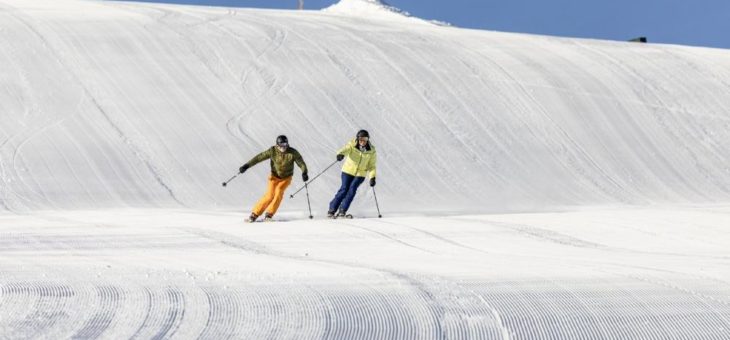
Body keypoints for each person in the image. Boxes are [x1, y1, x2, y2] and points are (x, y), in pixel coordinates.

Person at [239, 135, 308, 222]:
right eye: (281, 145)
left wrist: (304, 172)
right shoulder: (272, 151)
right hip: (274, 177)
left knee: (279, 191)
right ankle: (254, 214)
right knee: (269, 195)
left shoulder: (292, 152)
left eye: (285, 144)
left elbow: (301, 163)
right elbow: (259, 157)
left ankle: (269, 214)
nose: (283, 147)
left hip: (286, 178)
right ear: (277, 145)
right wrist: (247, 165)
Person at [328, 129, 377, 218]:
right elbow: (344, 150)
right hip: (347, 171)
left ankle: (343, 210)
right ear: (358, 139)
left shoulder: (371, 151)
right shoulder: (352, 145)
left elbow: (372, 166)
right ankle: (332, 209)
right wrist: (340, 154)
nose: (363, 141)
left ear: (368, 139)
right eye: (361, 139)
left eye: (365, 139)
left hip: (360, 174)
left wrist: (372, 177)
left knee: (352, 189)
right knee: (344, 189)